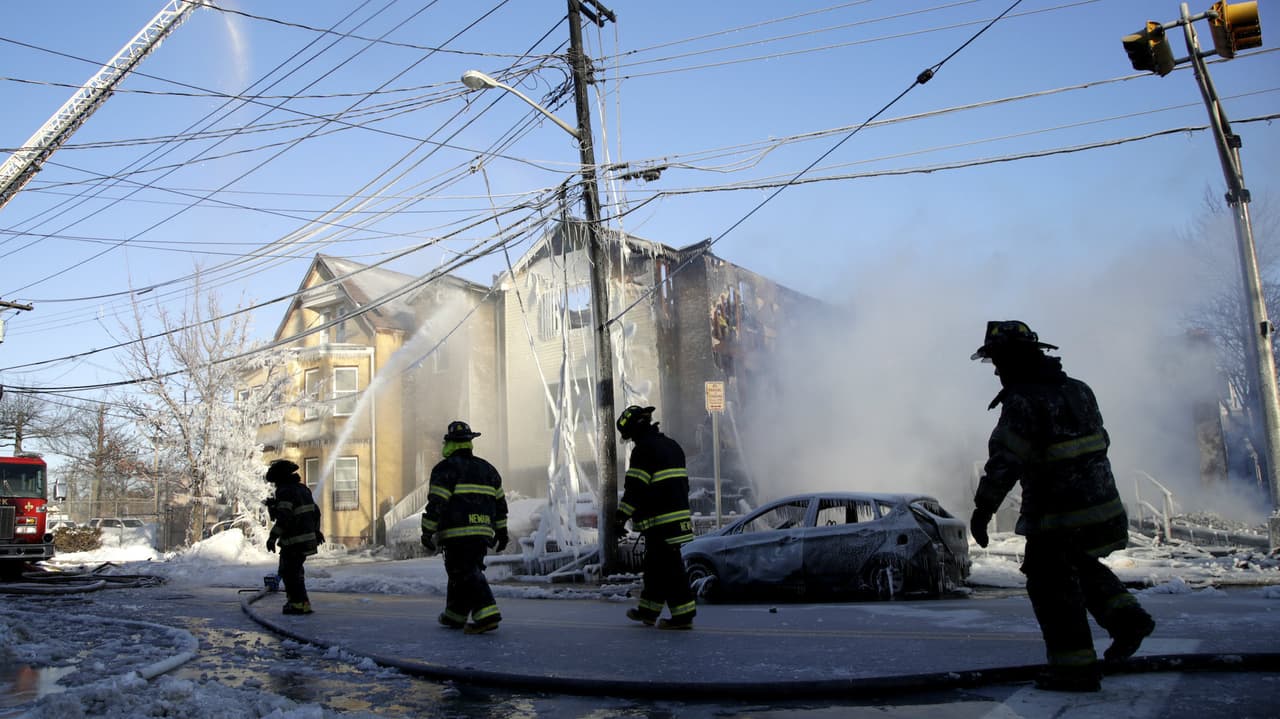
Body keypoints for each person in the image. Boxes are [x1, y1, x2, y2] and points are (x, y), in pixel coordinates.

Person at [969, 320, 1155, 692]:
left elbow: (1006, 460)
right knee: (1080, 564)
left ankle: (1074, 670)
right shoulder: (1079, 390)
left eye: (998, 361)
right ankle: (1127, 619)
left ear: (1014, 359)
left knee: (1050, 583)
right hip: (1102, 508)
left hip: (1059, 514)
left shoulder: (1023, 400)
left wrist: (983, 509)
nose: (996, 371)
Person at [421, 420, 508, 635]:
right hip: (482, 532)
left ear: (450, 443)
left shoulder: (445, 469)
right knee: (462, 572)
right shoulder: (488, 469)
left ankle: (487, 614)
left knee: (464, 572)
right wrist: (502, 531)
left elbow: (437, 503)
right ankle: (455, 614)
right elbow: (500, 504)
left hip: (456, 532)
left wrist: (427, 531)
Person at [614, 405, 697, 630]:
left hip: (660, 522)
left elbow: (635, 488)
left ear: (636, 430)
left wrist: (620, 517)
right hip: (677, 518)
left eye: (630, 436)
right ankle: (648, 611)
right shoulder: (672, 445)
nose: (631, 441)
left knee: (670, 569)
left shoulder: (644, 451)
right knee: (656, 566)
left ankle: (683, 617)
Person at [263, 459, 323, 615]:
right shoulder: (303, 489)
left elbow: (284, 517)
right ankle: (302, 603)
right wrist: (316, 531)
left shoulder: (285, 491)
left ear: (280, 478)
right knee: (296, 571)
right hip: (306, 539)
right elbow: (315, 512)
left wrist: (272, 537)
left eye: (275, 481)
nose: (274, 485)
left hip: (294, 541)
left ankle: (297, 604)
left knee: (289, 572)